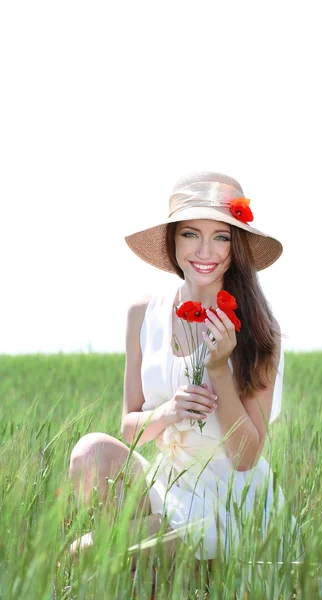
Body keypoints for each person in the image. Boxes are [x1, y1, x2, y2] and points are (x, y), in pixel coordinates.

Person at [69, 171, 298, 591]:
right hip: (168, 483)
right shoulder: (144, 314)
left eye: (222, 237)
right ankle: (155, 570)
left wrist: (218, 371)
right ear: (173, 243)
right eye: (191, 234)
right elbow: (128, 428)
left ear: (237, 246)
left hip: (224, 501)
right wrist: (169, 411)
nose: (205, 250)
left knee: (86, 553)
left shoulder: (260, 328)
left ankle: (185, 566)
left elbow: (246, 456)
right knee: (90, 453)